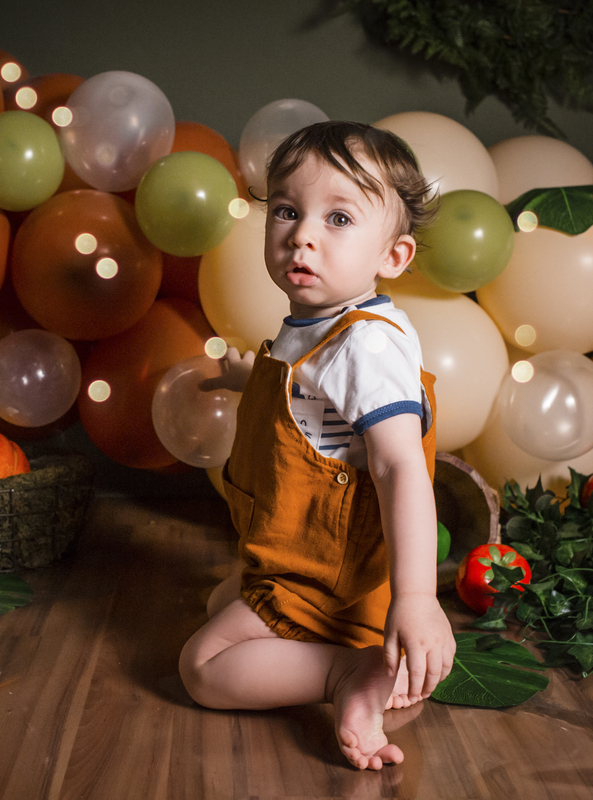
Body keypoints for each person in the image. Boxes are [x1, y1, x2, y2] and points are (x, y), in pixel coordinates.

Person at [179, 120, 455, 770]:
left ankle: (345, 672)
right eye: (286, 210)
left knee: (202, 665)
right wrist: (251, 378)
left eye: (338, 218)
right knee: (219, 599)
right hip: (302, 562)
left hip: (327, 579)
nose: (302, 233)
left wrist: (417, 600)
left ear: (393, 257)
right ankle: (348, 655)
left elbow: (400, 467)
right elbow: (310, 392)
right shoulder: (321, 324)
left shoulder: (366, 344)